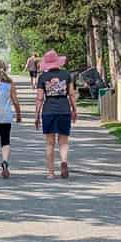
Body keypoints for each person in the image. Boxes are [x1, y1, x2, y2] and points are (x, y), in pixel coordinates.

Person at [34, 49, 77, 179]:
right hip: (64, 109)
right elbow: (71, 94)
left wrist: (36, 115)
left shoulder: (43, 77)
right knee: (63, 141)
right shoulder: (66, 75)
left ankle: (51, 173)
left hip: (48, 111)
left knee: (49, 143)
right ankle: (63, 161)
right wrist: (74, 110)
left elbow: (40, 98)